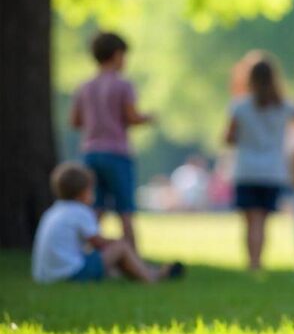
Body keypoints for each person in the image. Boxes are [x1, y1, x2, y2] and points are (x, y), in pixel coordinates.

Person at [225, 54, 294, 270]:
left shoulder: (240, 106)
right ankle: (257, 262)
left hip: (246, 170)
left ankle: (253, 263)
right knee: (262, 221)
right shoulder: (283, 106)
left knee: (251, 222)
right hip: (272, 171)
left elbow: (228, 138)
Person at [32, 162, 183, 284]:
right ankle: (151, 277)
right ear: (82, 193)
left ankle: (141, 272)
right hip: (69, 274)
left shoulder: (54, 210)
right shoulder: (80, 211)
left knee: (104, 258)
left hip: (45, 275)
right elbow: (98, 242)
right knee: (121, 247)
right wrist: (116, 242)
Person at [70, 32, 152, 250]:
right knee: (125, 209)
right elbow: (132, 117)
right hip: (116, 152)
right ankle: (133, 257)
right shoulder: (123, 85)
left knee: (95, 207)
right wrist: (148, 118)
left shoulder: (84, 87)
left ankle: (84, 251)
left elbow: (75, 121)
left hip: (90, 152)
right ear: (116, 55)